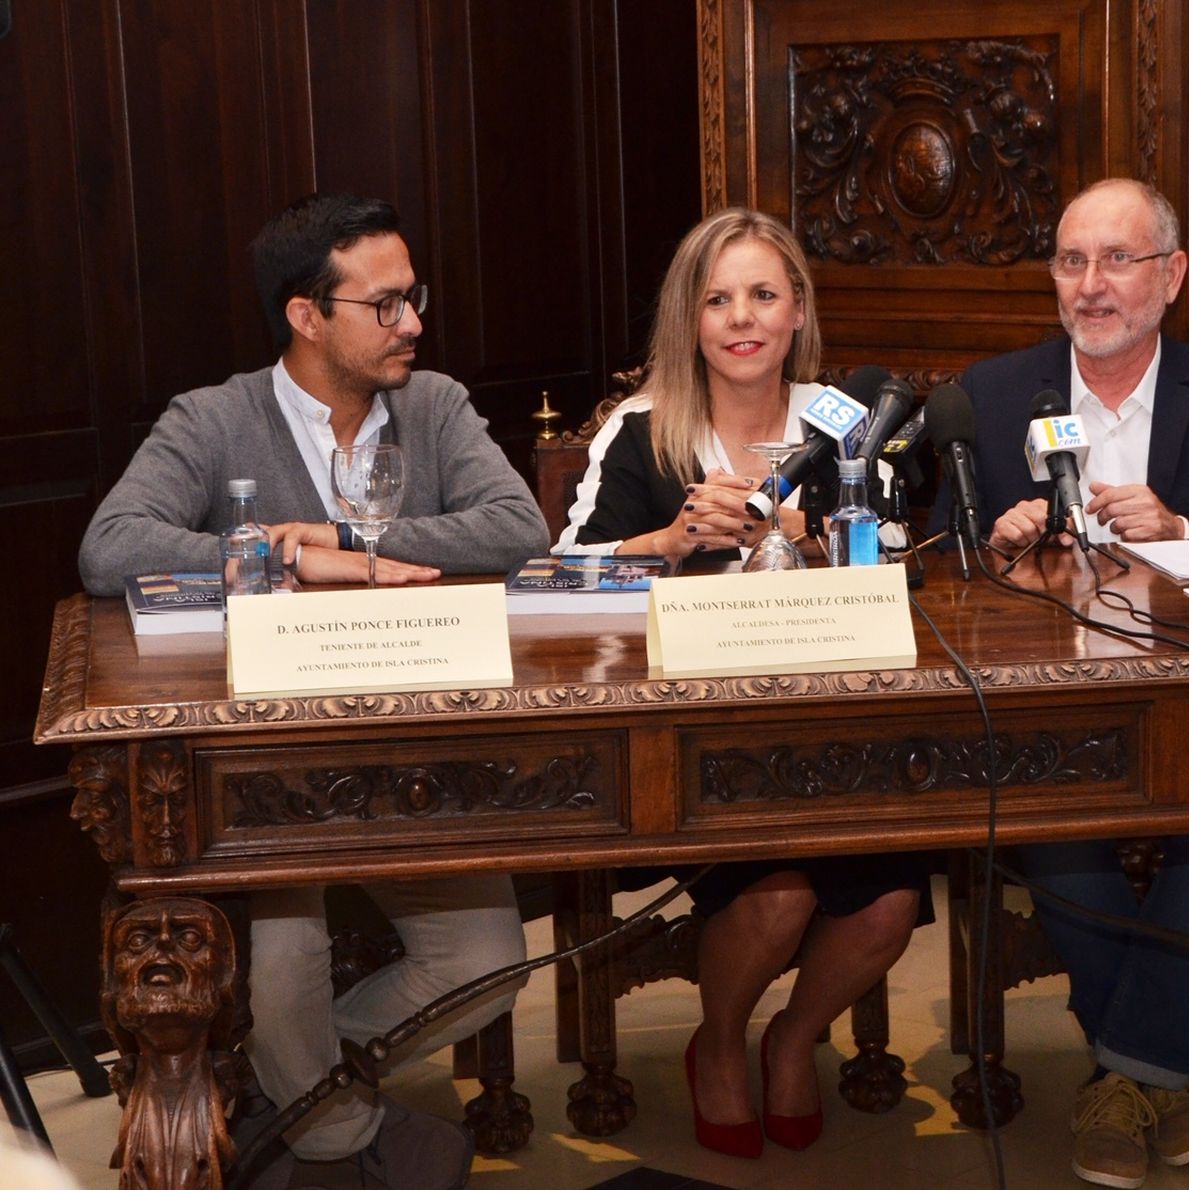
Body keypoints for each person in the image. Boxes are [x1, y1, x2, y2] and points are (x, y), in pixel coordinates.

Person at [78, 192, 549, 1190]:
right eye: (384, 304)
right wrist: (274, 559)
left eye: (413, 297)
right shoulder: (213, 417)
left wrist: (345, 540)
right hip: (270, 769)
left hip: (422, 753)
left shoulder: (435, 405)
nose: (413, 322)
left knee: (492, 958)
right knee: (283, 965)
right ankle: (333, 1138)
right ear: (305, 314)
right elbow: (109, 546)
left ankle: (281, 1092)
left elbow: (515, 526)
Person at [939, 177, 1189, 1190]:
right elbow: (934, 553)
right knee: (1054, 817)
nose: (1091, 285)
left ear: (1171, 275)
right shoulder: (995, 391)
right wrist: (991, 541)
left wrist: (1188, 530)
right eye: (1070, 261)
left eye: (1116, 260)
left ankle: (1119, 1072)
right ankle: (1159, 1076)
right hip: (1051, 710)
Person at [556, 207, 927, 1159]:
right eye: (716, 300)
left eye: (763, 294)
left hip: (834, 721)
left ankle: (791, 1039)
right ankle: (717, 1044)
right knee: (777, 897)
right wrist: (668, 543)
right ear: (691, 320)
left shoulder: (845, 427)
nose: (741, 318)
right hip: (687, 737)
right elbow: (554, 580)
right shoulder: (641, 433)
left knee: (888, 902)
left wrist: (815, 535)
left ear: (797, 309)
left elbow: (900, 567)